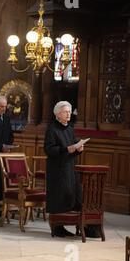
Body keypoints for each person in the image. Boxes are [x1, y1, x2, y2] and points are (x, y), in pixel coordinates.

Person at [44, 101, 86, 238]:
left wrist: (78, 149)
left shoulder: (69, 128)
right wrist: (66, 149)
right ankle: (58, 227)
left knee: (75, 195)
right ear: (57, 114)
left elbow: (72, 146)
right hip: (57, 170)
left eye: (69, 111)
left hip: (70, 167)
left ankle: (81, 225)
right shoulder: (52, 129)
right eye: (65, 112)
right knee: (59, 197)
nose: (68, 114)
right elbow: (49, 150)